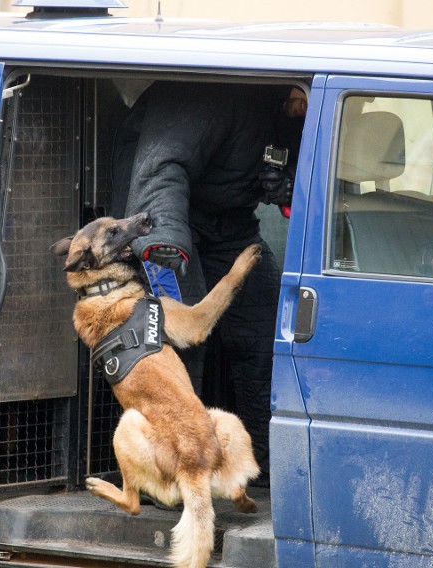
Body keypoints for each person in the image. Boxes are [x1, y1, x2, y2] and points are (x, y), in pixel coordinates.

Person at [111, 81, 307, 486]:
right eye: (298, 98)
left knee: (264, 331)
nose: (303, 106)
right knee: (183, 346)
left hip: (232, 226)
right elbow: (161, 169)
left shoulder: (300, 113)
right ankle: (169, 475)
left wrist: (289, 184)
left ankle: (262, 467)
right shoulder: (212, 96)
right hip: (168, 229)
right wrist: (161, 242)